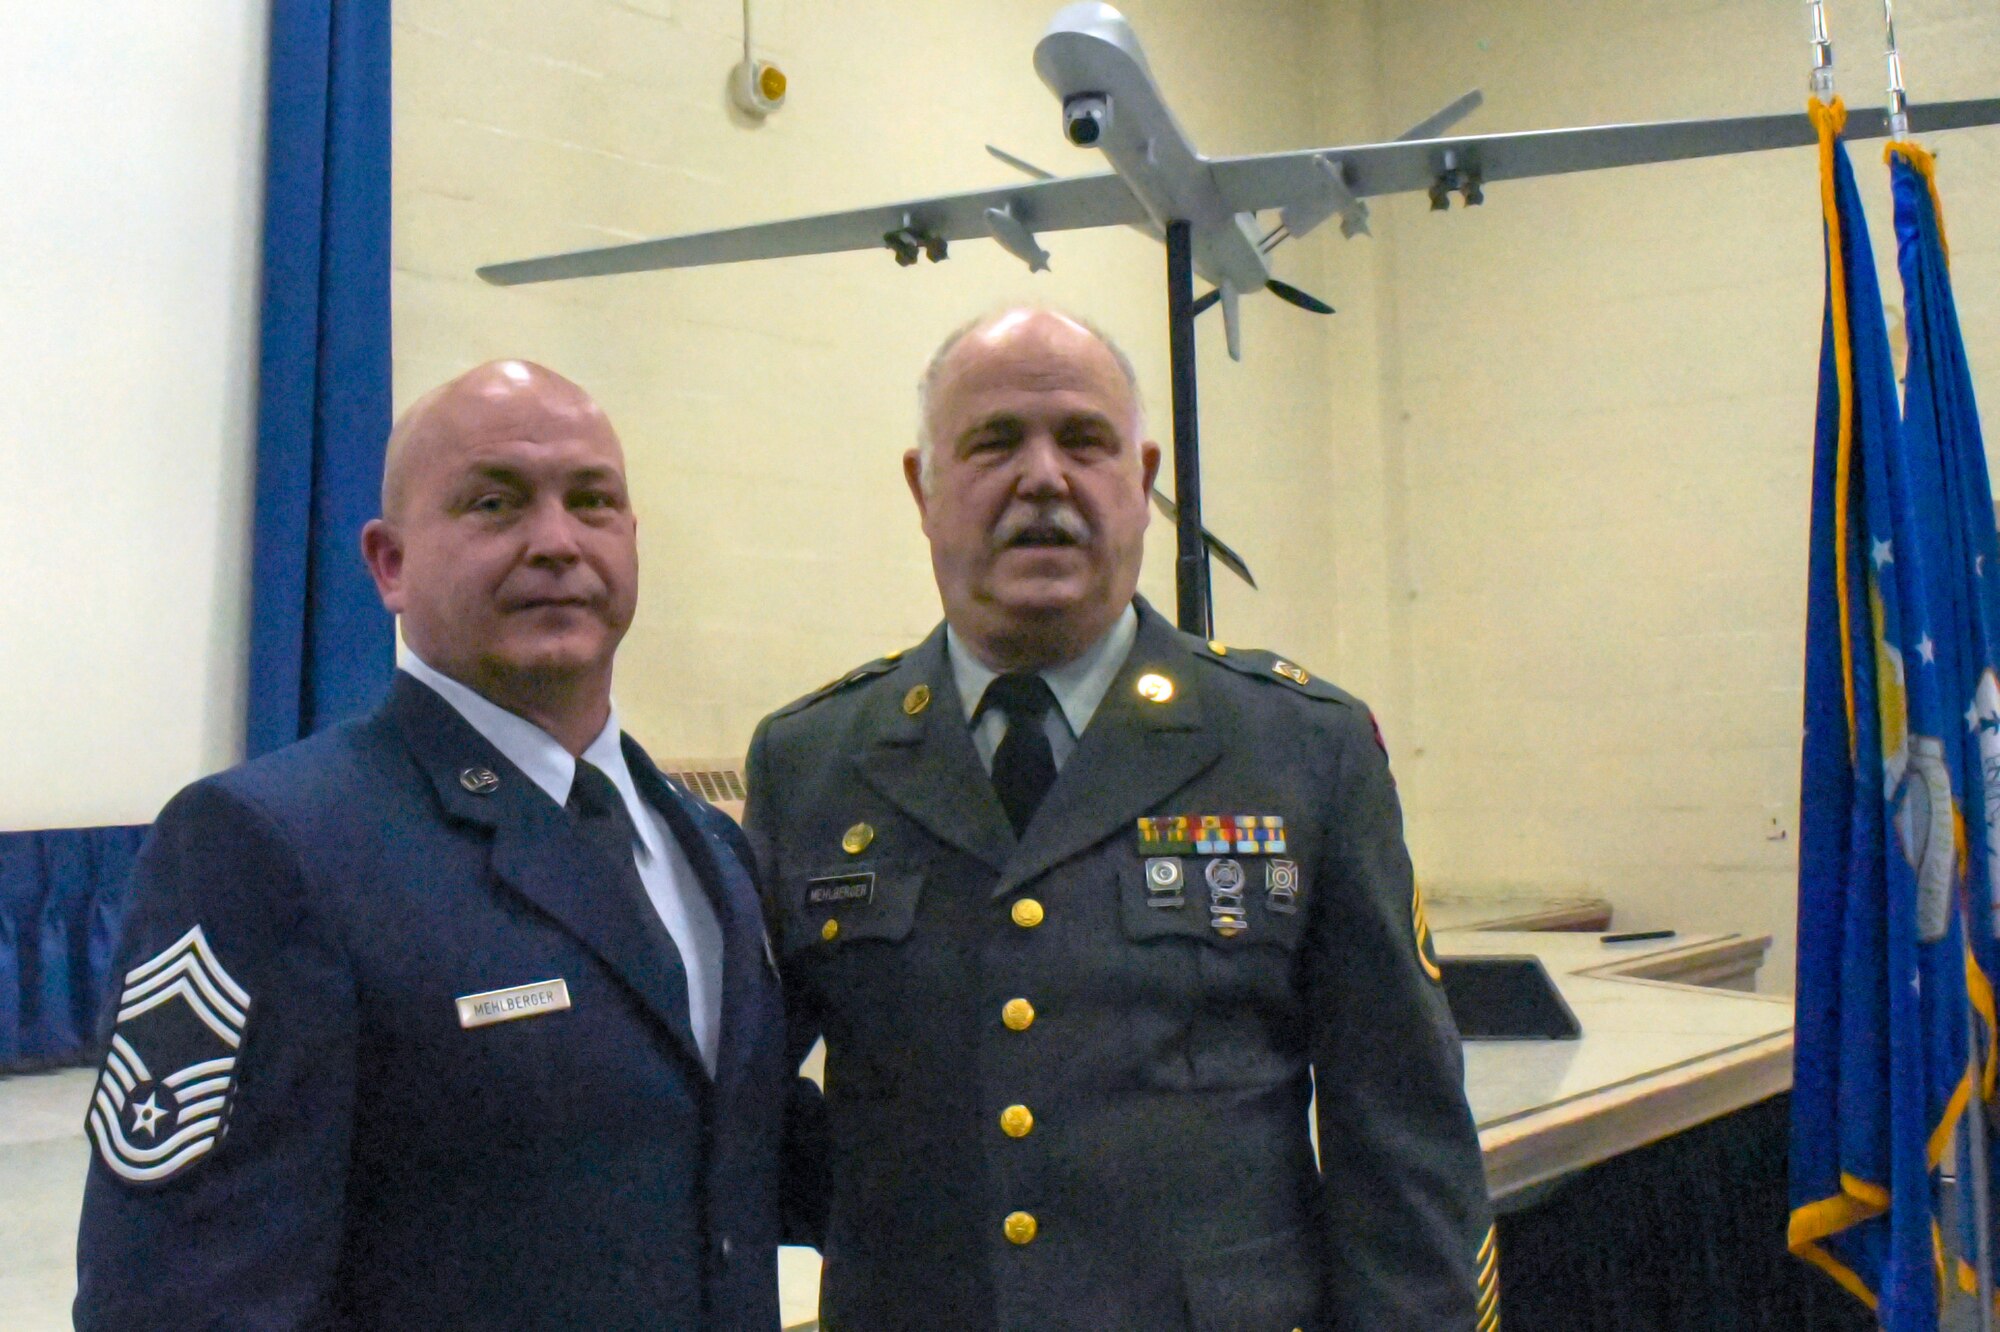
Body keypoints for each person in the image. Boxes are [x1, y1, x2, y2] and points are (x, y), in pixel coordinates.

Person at [745, 309, 1496, 1331]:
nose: (1042, 478)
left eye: (1083, 441)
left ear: (1139, 481)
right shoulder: (812, 763)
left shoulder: (1297, 748)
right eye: (994, 442)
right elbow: (733, 1102)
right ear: (923, 489)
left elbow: (1402, 1135)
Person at [75, 361, 788, 1329]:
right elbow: (178, 1301)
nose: (555, 542)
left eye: (593, 503)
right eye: (494, 503)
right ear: (388, 563)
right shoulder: (269, 850)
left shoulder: (703, 847)